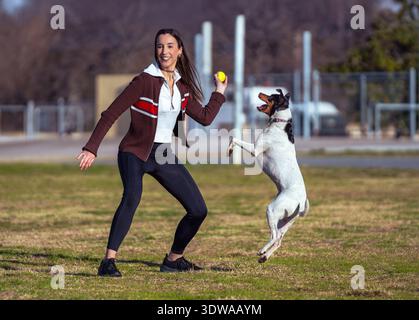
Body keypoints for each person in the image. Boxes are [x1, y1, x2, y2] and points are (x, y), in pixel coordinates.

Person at [76, 28, 228, 276]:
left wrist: (219, 93)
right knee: (132, 197)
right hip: (134, 152)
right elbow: (111, 114)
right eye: (159, 46)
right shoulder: (143, 81)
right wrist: (91, 148)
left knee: (198, 209)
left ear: (179, 51)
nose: (164, 51)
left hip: (161, 154)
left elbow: (205, 117)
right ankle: (108, 262)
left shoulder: (182, 87)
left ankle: (173, 259)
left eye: (169, 46)